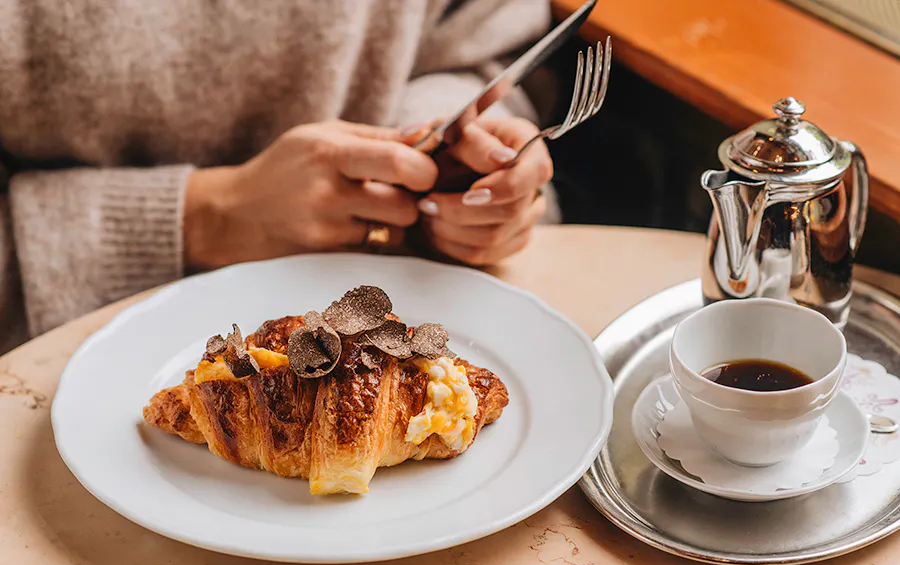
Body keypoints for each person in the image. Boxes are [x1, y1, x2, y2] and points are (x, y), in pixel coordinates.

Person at [0, 0, 555, 352]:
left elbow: (468, 47)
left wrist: (452, 165)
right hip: (50, 351)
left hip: (418, 303)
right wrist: (203, 218)